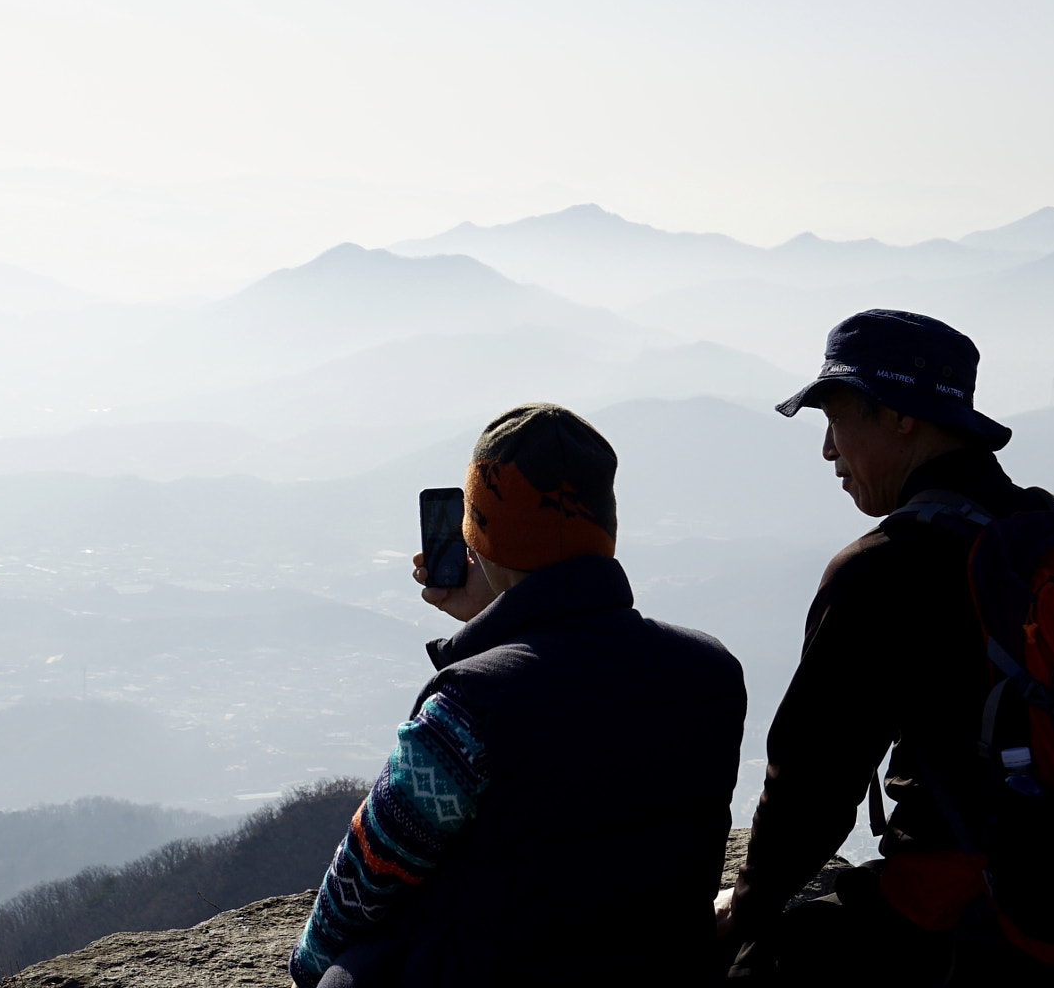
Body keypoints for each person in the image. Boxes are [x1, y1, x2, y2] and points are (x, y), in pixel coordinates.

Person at [714, 309, 1054, 985]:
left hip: (977, 915)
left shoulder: (889, 568)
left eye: (836, 418)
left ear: (900, 416)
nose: (828, 450)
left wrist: (744, 908)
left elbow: (811, 784)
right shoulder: (1052, 533)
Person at [289, 403, 747, 988]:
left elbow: (369, 873)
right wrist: (502, 617)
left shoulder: (468, 709)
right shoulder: (710, 669)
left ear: (476, 535)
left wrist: (309, 968)